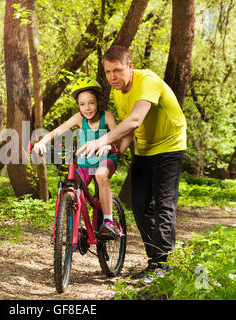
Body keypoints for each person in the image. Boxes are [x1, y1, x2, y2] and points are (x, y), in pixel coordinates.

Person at [76, 46, 187, 277]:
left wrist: (101, 141)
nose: (112, 77)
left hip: (170, 145)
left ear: (130, 66)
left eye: (117, 70)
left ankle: (161, 266)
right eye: (107, 72)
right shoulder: (118, 91)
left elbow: (135, 119)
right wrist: (113, 152)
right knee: (138, 204)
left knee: (164, 205)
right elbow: (128, 131)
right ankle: (154, 261)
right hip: (145, 148)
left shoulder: (148, 82)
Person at [33, 78, 130, 236]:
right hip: (85, 163)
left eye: (91, 103)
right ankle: (72, 228)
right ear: (78, 106)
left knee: (100, 174)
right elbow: (59, 130)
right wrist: (42, 142)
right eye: (82, 104)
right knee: (70, 190)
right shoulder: (79, 118)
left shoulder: (107, 117)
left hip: (106, 159)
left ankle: (109, 221)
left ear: (98, 102)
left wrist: (108, 145)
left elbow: (119, 136)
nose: (87, 108)